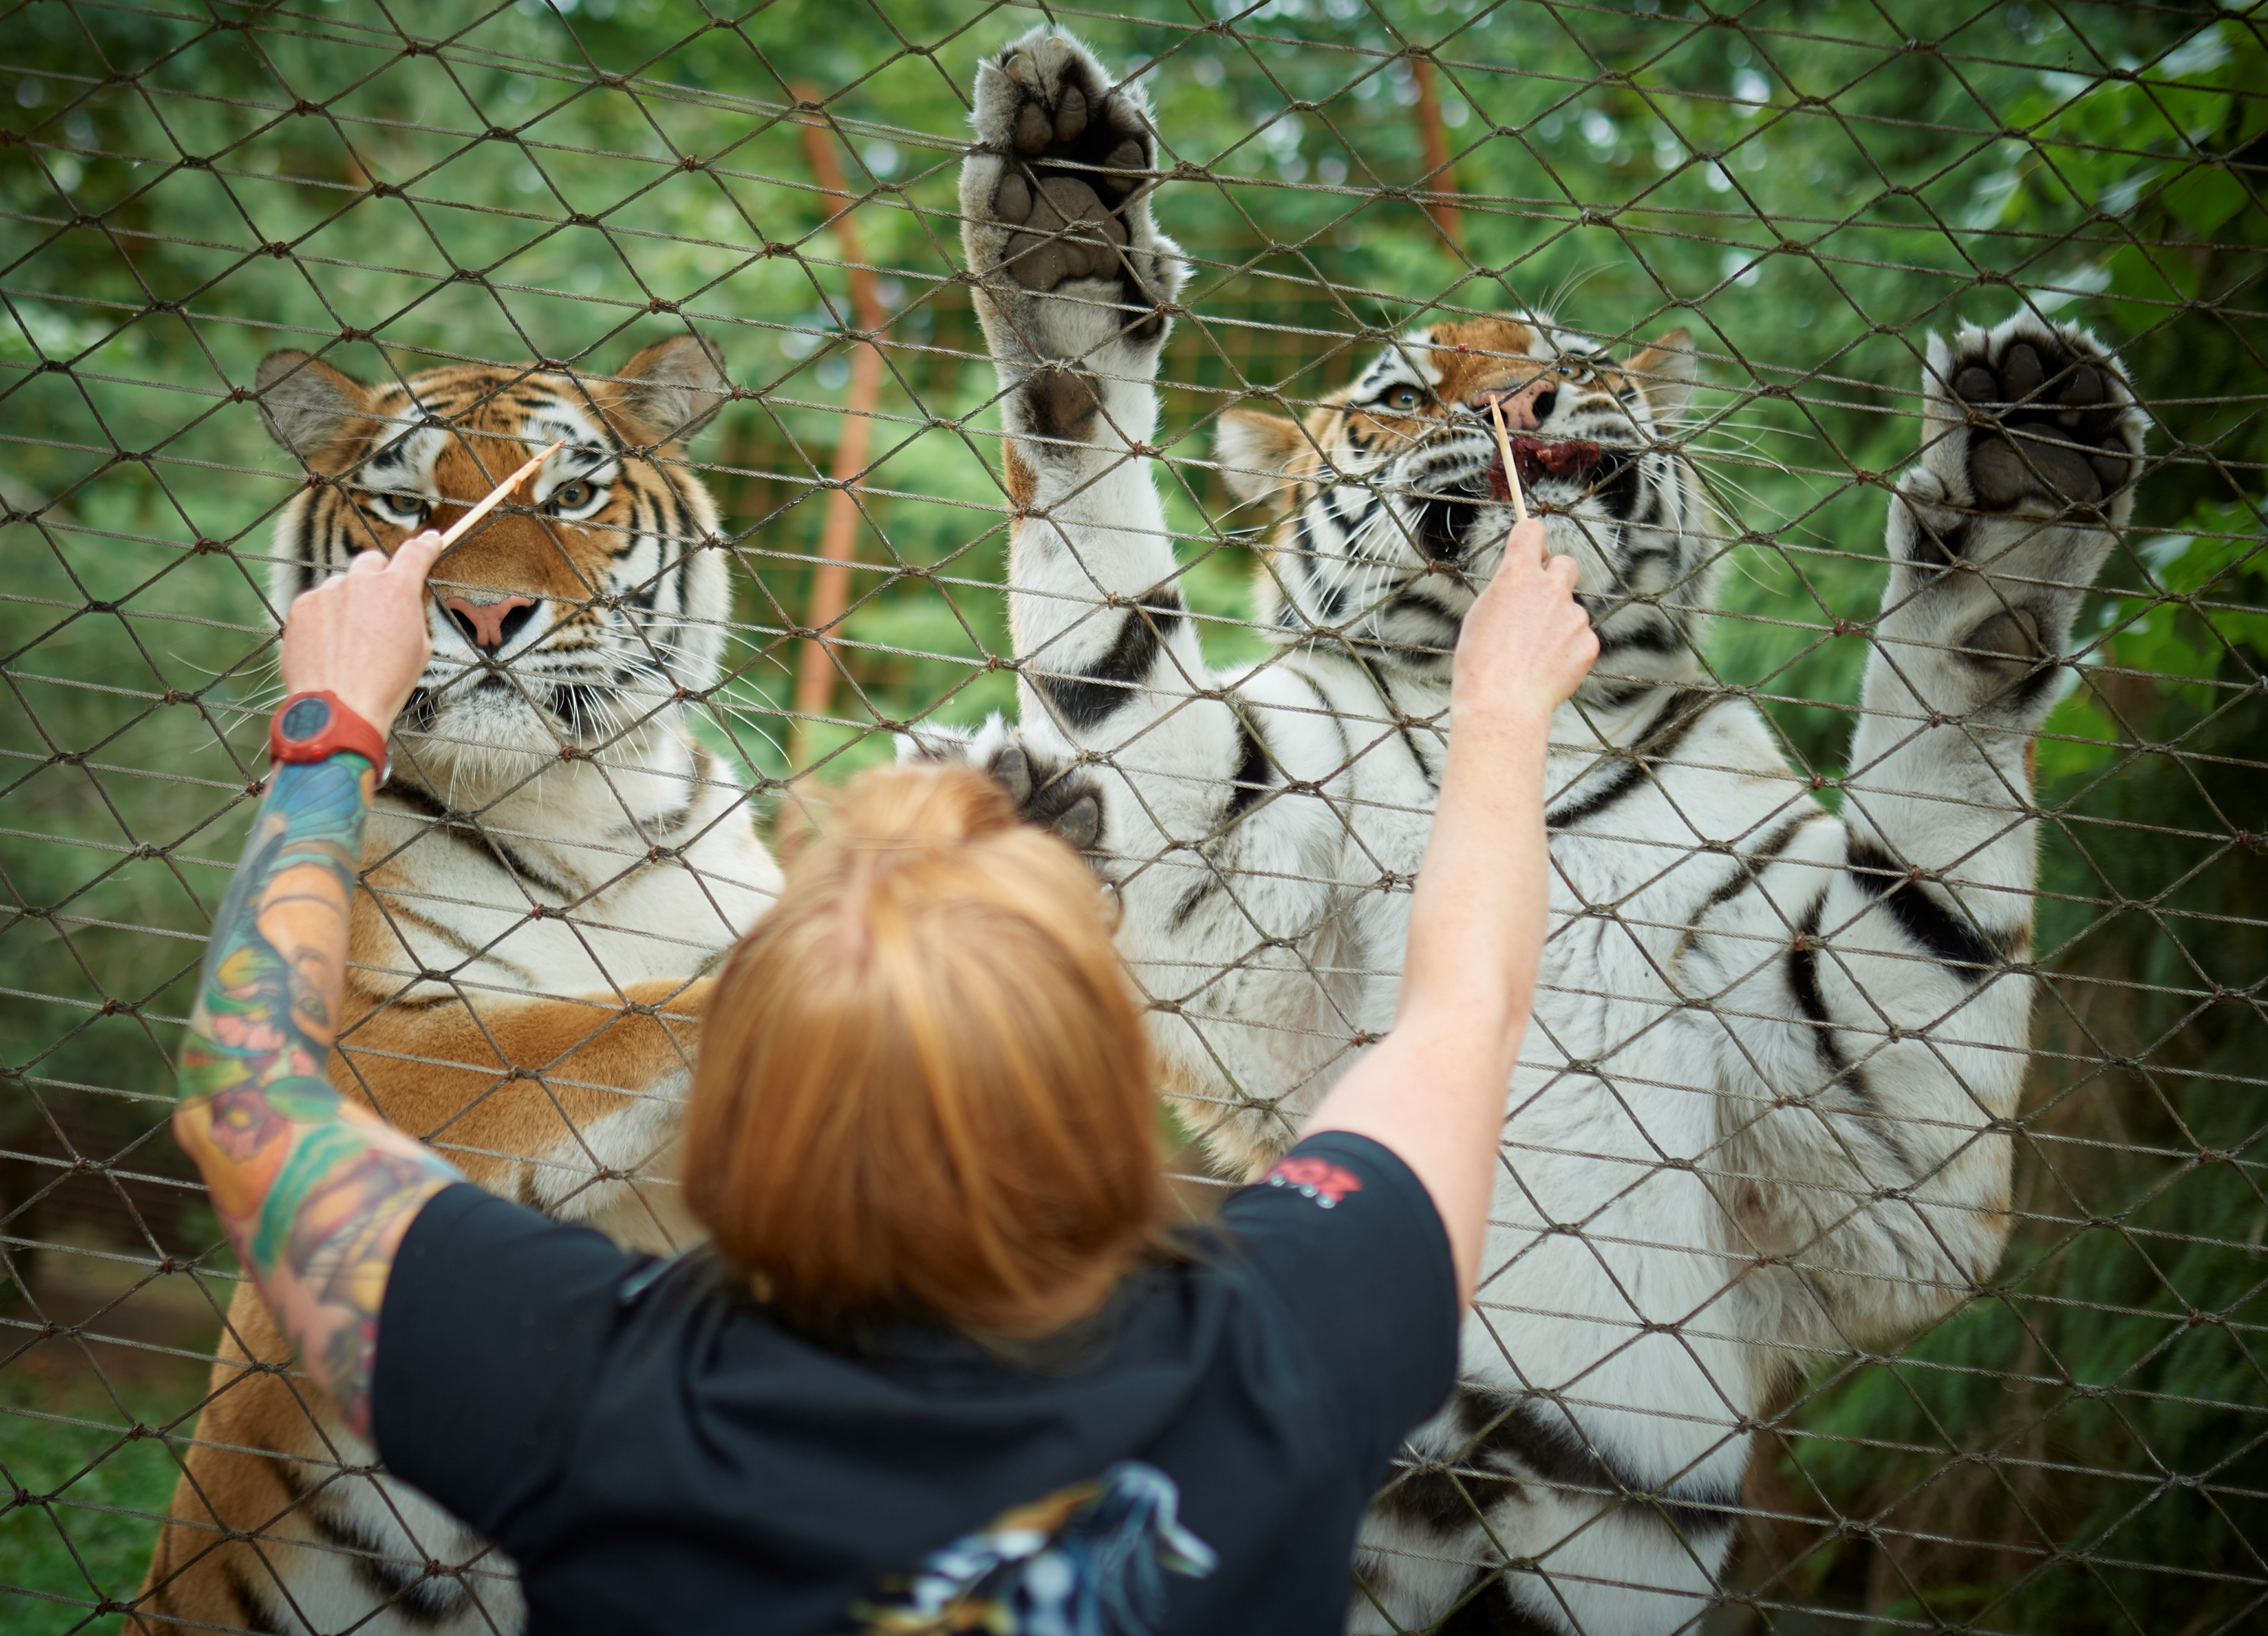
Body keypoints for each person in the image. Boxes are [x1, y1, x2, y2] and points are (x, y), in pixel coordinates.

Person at [168, 514, 1597, 1634]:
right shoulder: (1289, 1326)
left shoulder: (582, 1374)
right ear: (1106, 1085)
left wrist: (329, 724)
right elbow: (1465, 1010)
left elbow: (245, 1089)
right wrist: (1501, 710)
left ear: (741, 1100)